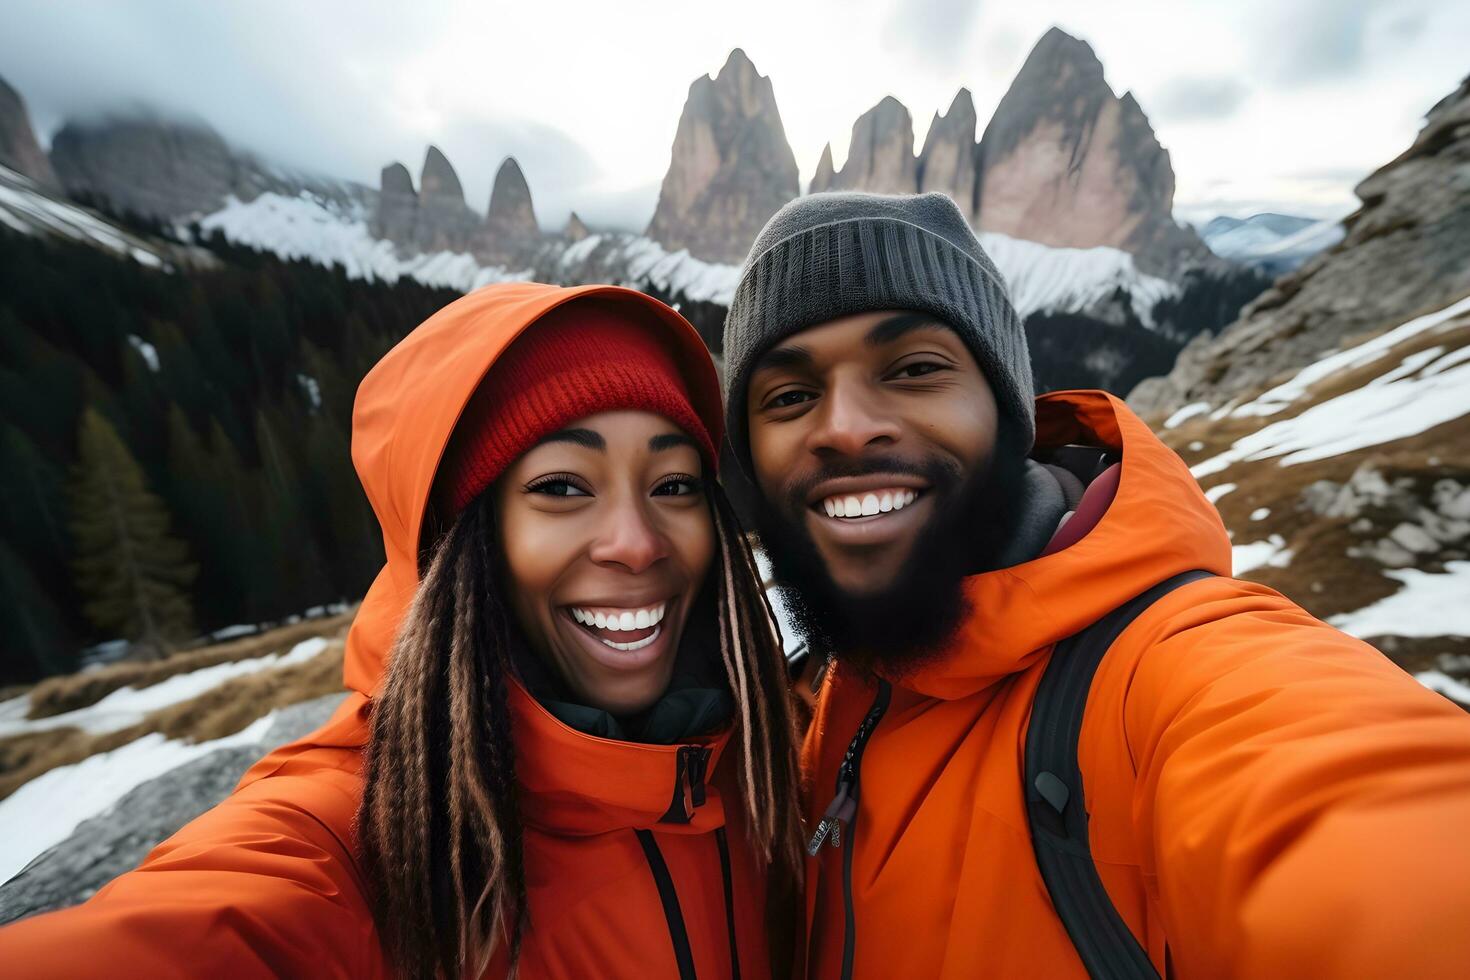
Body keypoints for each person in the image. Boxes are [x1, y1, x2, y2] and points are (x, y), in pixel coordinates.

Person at [720, 191, 1470, 978]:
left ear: (1011, 418)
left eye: (914, 370)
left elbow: (1355, 813)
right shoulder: (806, 695)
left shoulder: (1168, 671)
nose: (844, 426)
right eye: (790, 396)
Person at [0, 283, 804, 979]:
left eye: (674, 484)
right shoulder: (359, 834)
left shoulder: (768, 751)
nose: (636, 541)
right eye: (561, 486)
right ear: (462, 542)